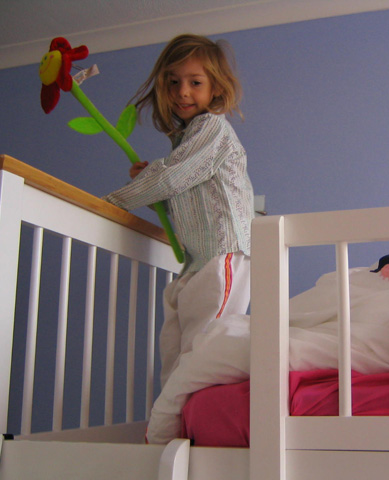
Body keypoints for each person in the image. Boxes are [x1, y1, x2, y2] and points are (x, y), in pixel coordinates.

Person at [102, 34, 254, 387]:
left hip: (223, 252)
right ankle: (174, 414)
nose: (182, 91)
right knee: (175, 344)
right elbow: (180, 191)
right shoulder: (186, 140)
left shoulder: (212, 127)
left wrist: (114, 201)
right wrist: (157, 186)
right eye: (173, 82)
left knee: (204, 345)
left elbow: (173, 178)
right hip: (197, 260)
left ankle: (184, 417)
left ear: (216, 88)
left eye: (195, 82)